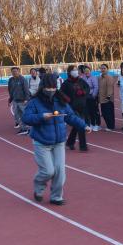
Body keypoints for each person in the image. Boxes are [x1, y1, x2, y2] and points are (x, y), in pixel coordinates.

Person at [22, 74, 91, 205]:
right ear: (42, 87)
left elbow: (70, 116)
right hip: (42, 142)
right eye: (48, 88)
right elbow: (26, 118)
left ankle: (56, 196)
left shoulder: (61, 100)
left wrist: (83, 126)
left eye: (53, 87)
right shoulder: (34, 102)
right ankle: (39, 186)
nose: (51, 90)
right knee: (48, 171)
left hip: (59, 142)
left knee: (60, 171)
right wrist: (41, 116)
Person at [60, 65, 90, 151]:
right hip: (72, 107)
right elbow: (61, 93)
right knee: (81, 124)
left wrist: (83, 92)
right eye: (73, 70)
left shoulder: (81, 81)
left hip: (82, 106)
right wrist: (67, 99)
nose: (76, 71)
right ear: (69, 72)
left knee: (77, 125)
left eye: (76, 70)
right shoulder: (66, 83)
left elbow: (87, 88)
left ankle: (70, 142)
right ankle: (83, 146)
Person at [8, 67, 30, 135]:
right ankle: (23, 129)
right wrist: (10, 99)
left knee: (25, 115)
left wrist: (26, 99)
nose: (14, 73)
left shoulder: (23, 79)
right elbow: (10, 90)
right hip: (15, 100)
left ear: (18, 71)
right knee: (17, 116)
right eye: (13, 71)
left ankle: (28, 128)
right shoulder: (11, 80)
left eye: (15, 71)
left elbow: (26, 89)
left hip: (22, 101)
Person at [82, 66, 100, 131]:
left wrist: (93, 95)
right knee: (89, 111)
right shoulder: (83, 78)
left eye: (88, 71)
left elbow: (96, 87)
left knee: (94, 111)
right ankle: (92, 123)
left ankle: (97, 124)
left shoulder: (93, 78)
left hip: (92, 96)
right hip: (86, 97)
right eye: (85, 71)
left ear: (90, 71)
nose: (86, 72)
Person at [97, 64, 115, 131]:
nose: (103, 69)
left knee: (108, 113)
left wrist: (108, 96)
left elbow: (110, 87)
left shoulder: (109, 77)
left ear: (107, 69)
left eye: (104, 68)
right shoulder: (99, 78)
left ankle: (111, 126)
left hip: (108, 99)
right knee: (104, 113)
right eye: (102, 68)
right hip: (101, 99)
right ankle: (109, 125)